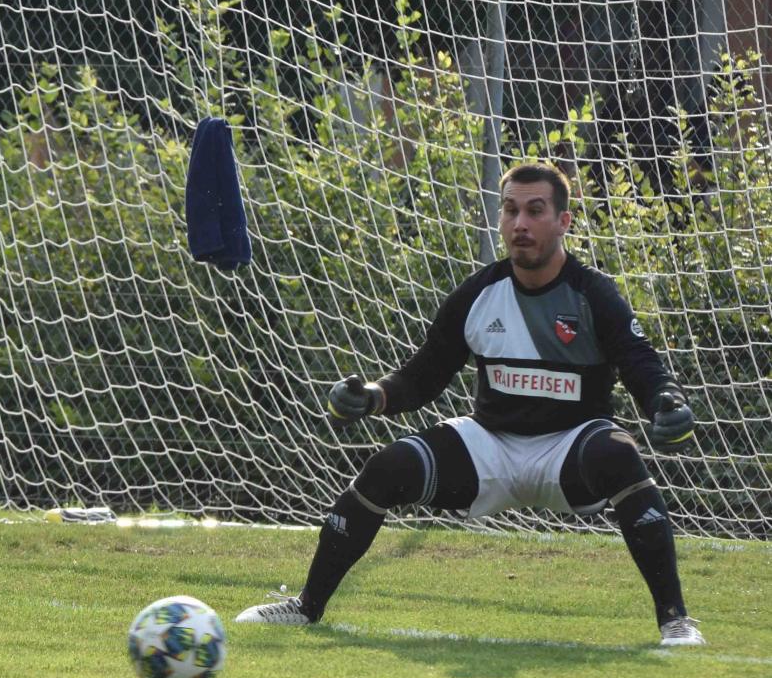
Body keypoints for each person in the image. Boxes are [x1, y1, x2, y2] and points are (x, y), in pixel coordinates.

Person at [235, 162, 705, 647]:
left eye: (535, 210)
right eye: (511, 210)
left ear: (563, 222)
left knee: (618, 453)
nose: (520, 223)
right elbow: (424, 375)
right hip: (491, 447)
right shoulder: (480, 292)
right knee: (386, 467)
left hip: (569, 449)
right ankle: (305, 607)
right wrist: (371, 396)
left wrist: (664, 403)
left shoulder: (593, 294)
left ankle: (676, 621)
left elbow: (640, 363)